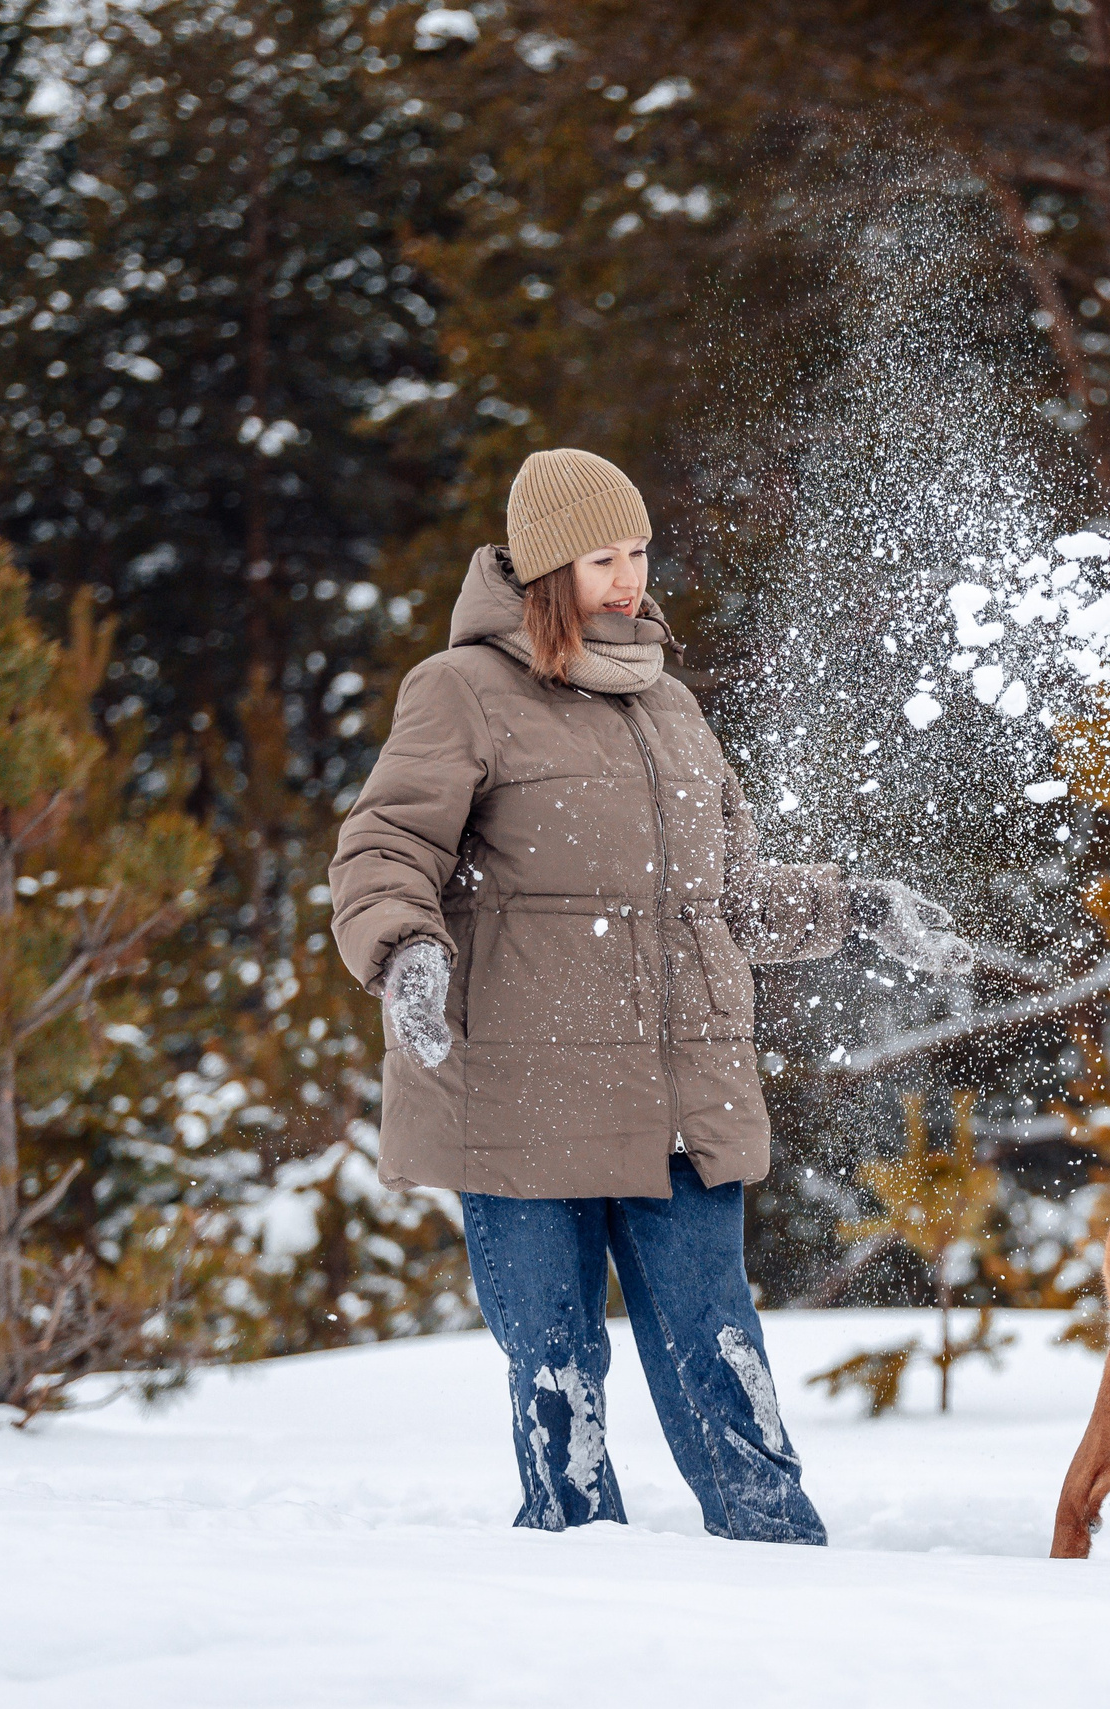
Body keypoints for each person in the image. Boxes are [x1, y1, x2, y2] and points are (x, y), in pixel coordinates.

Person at [328, 448, 966, 1543]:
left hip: (679, 1087)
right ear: (541, 570)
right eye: (600, 558)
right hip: (524, 1092)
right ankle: (575, 1584)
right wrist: (403, 951)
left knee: (718, 1337)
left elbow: (716, 897)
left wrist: (854, 905)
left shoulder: (667, 703)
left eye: (638, 552)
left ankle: (777, 1553)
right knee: (557, 1362)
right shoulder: (463, 691)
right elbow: (385, 846)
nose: (629, 579)